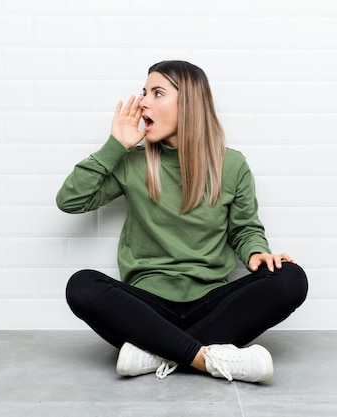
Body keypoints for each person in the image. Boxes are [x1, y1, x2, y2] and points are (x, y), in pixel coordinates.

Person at [56, 60, 308, 383]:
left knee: (291, 279)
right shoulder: (132, 163)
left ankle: (157, 352)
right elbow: (70, 200)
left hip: (211, 305)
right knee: (81, 286)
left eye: (157, 93)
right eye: (143, 92)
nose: (143, 101)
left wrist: (257, 252)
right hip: (147, 307)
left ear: (188, 104)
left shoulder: (231, 165)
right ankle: (207, 358)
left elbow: (245, 230)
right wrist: (115, 146)